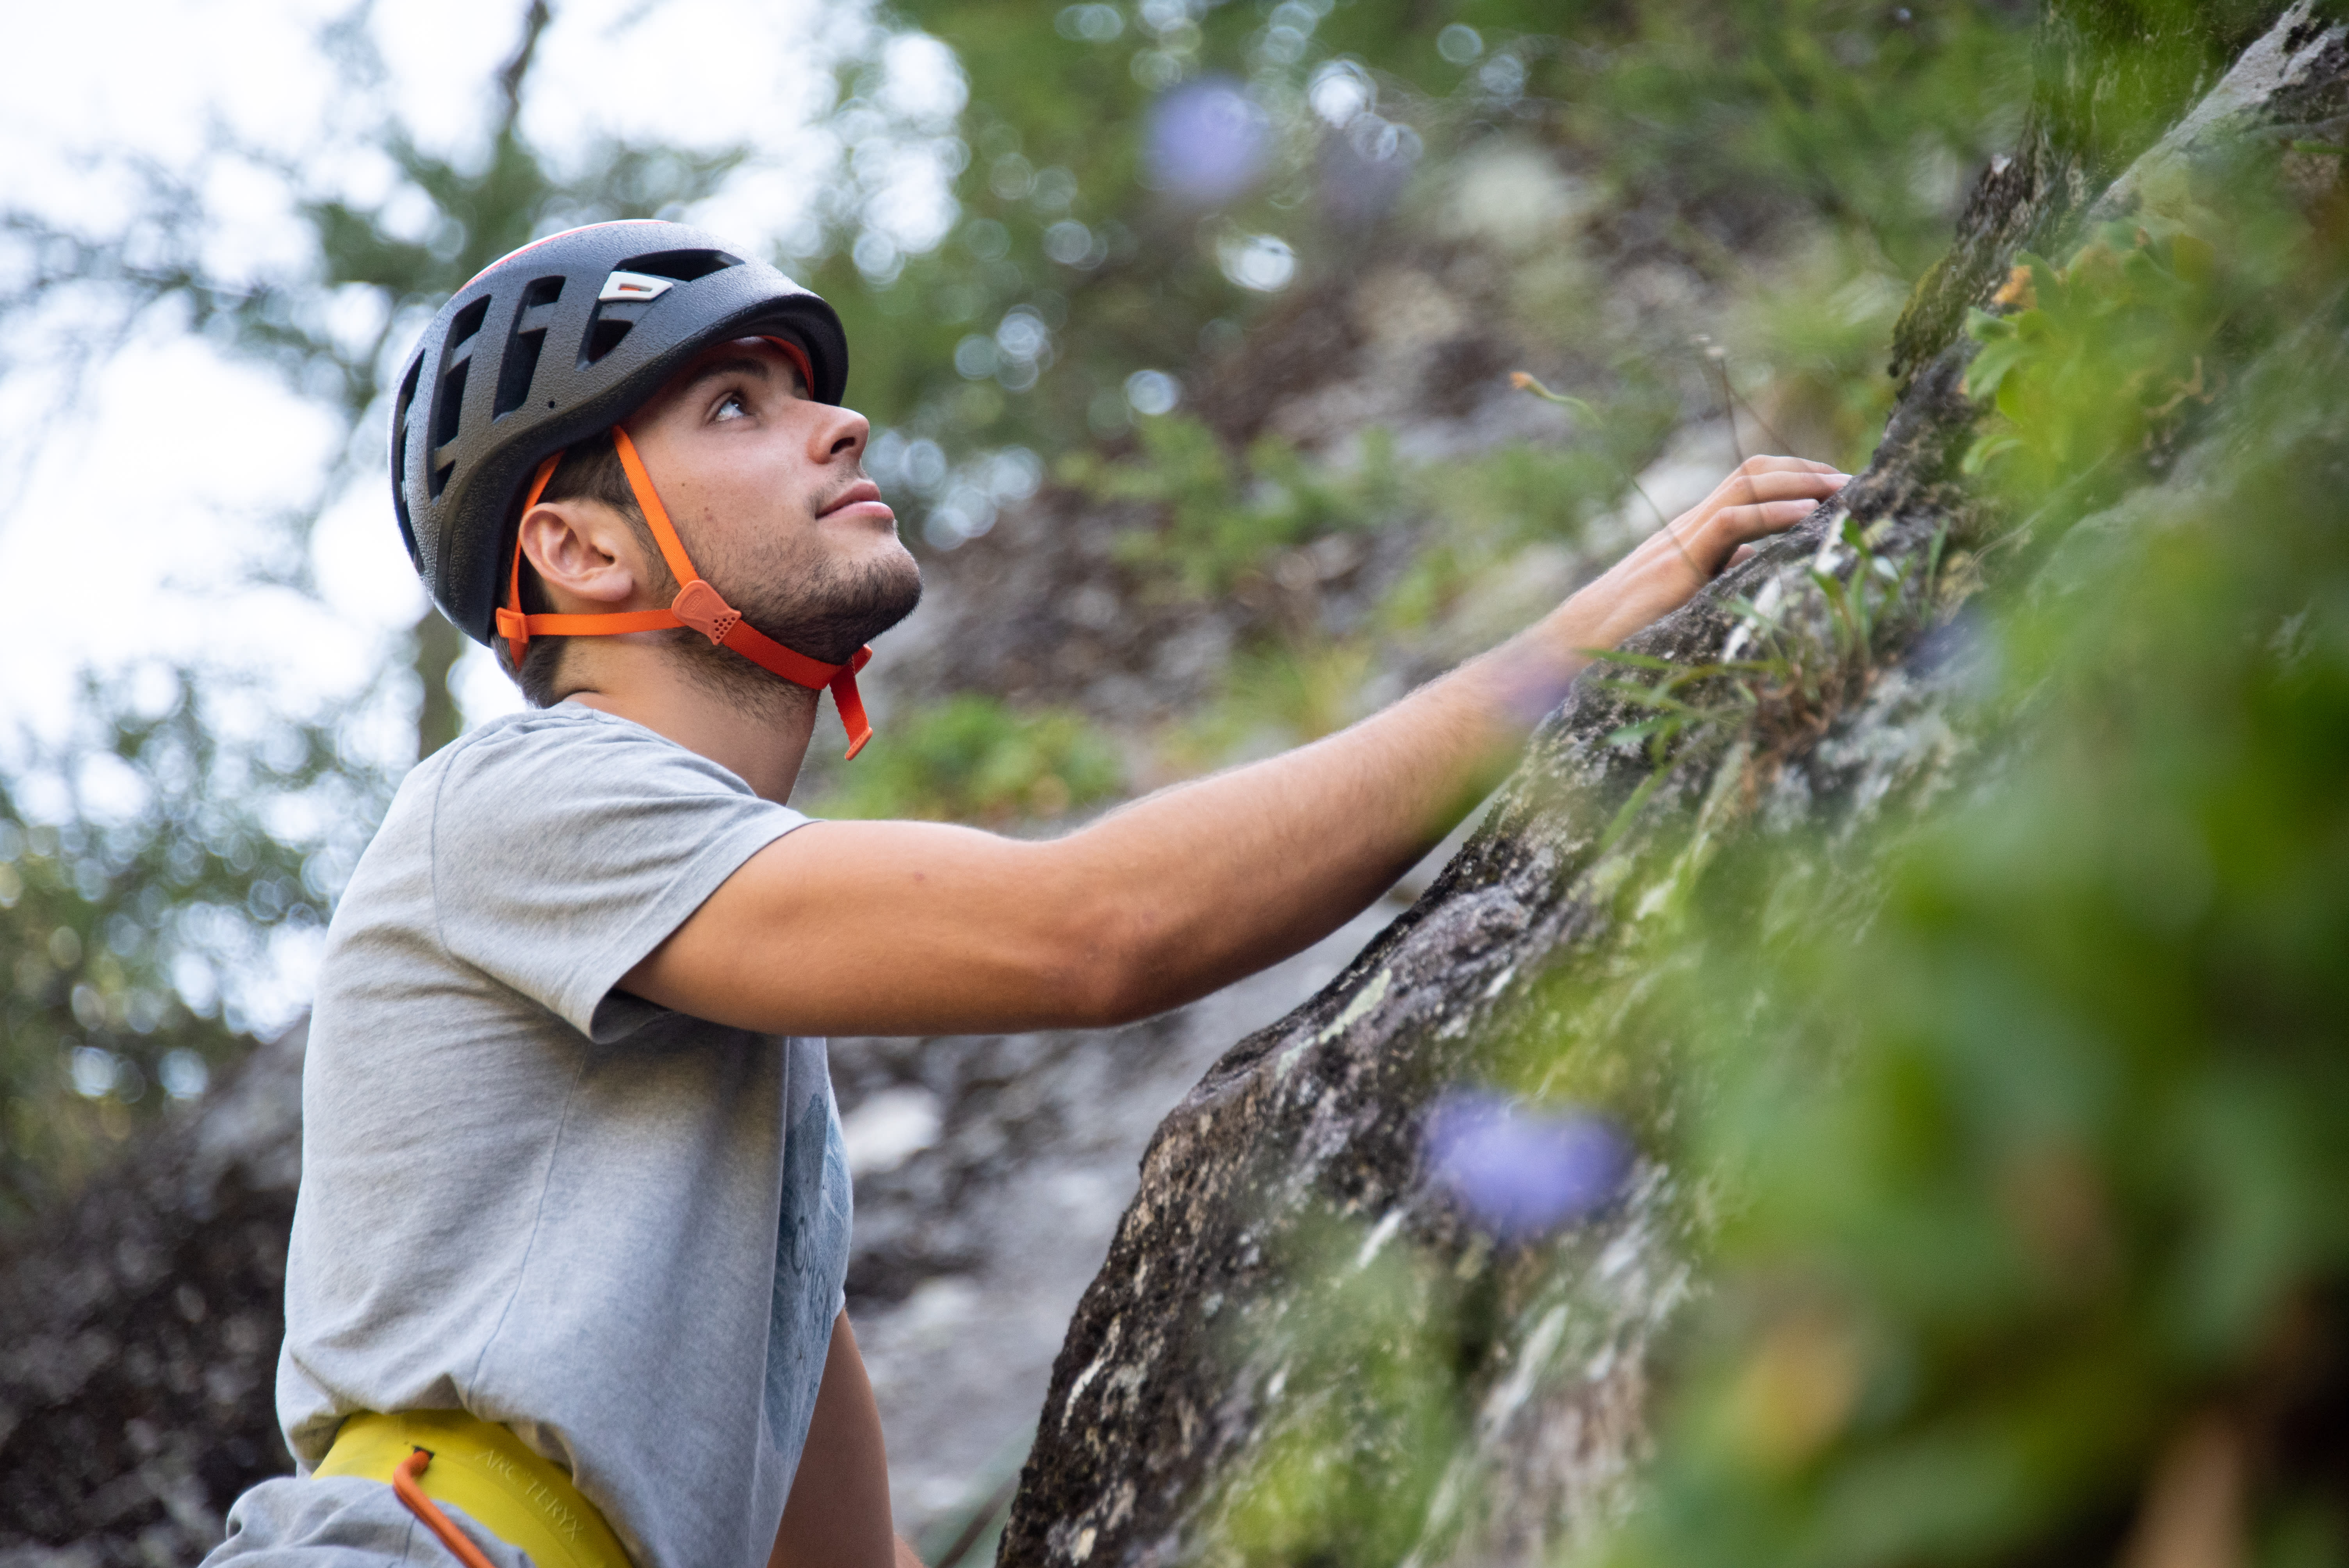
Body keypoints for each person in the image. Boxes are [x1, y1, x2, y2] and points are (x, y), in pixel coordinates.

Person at [202, 220, 1845, 1568]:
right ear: (582, 553)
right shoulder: (516, 801)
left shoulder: (741, 1105)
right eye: (735, 407)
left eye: (805, 394)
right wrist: (1574, 650)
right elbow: (1096, 927)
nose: (838, 424)